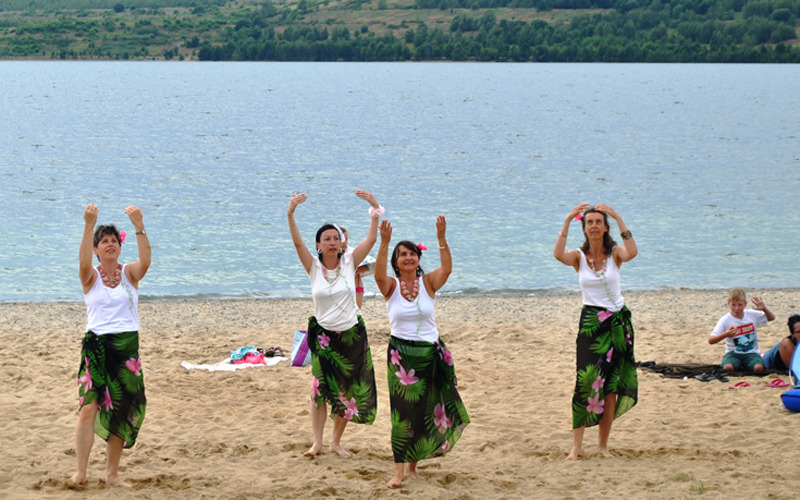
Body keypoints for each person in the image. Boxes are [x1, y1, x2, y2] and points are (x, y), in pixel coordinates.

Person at [374, 216, 469, 488]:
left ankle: (413, 468)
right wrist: (384, 242)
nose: (408, 258)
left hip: (430, 354)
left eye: (412, 254)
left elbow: (447, 269)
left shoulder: (428, 283)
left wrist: (441, 239)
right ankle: (397, 471)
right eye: (402, 255)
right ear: (396, 261)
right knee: (402, 413)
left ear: (418, 258)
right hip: (401, 357)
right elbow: (378, 274)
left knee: (425, 411)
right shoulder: (390, 286)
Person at [287, 190, 381, 458]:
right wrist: (291, 213)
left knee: (347, 392)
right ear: (318, 245)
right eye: (325, 239)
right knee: (319, 389)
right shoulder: (313, 267)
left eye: (335, 238)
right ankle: (316, 443)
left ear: (342, 244)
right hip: (324, 337)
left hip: (351, 334)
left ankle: (335, 442)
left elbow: (371, 239)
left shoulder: (351, 261)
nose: (331, 242)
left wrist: (374, 207)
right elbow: (296, 244)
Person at [70, 204, 151, 488]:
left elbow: (146, 261)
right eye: (104, 242)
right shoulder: (90, 276)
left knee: (121, 410)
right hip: (97, 346)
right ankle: (80, 472)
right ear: (96, 249)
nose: (109, 245)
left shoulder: (129, 274)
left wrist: (139, 225)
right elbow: (81, 263)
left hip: (127, 347)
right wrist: (88, 225)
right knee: (88, 409)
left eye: (114, 241)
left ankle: (112, 474)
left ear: (119, 247)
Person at [554, 203, 638, 460]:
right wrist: (568, 219)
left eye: (598, 222)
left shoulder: (616, 254)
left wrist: (618, 216)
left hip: (618, 324)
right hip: (591, 322)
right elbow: (558, 254)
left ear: (605, 227)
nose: (593, 226)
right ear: (584, 227)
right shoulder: (578, 256)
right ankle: (576, 447)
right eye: (589, 222)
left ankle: (603, 446)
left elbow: (632, 252)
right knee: (586, 382)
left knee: (610, 387)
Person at [708, 289, 775, 372]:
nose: (737, 308)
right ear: (728, 304)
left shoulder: (752, 314)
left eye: (740, 305)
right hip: (733, 353)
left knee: (759, 368)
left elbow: (771, 318)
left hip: (752, 353)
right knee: (728, 368)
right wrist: (725, 334)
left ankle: (758, 356)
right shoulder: (725, 320)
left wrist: (764, 308)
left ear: (745, 304)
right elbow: (711, 340)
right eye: (733, 305)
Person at [339, 226, 375, 310]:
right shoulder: (330, 256)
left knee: (356, 314)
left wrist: (354, 270)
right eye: (341, 239)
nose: (344, 242)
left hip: (356, 286)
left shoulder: (352, 252)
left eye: (346, 239)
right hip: (339, 289)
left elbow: (372, 265)